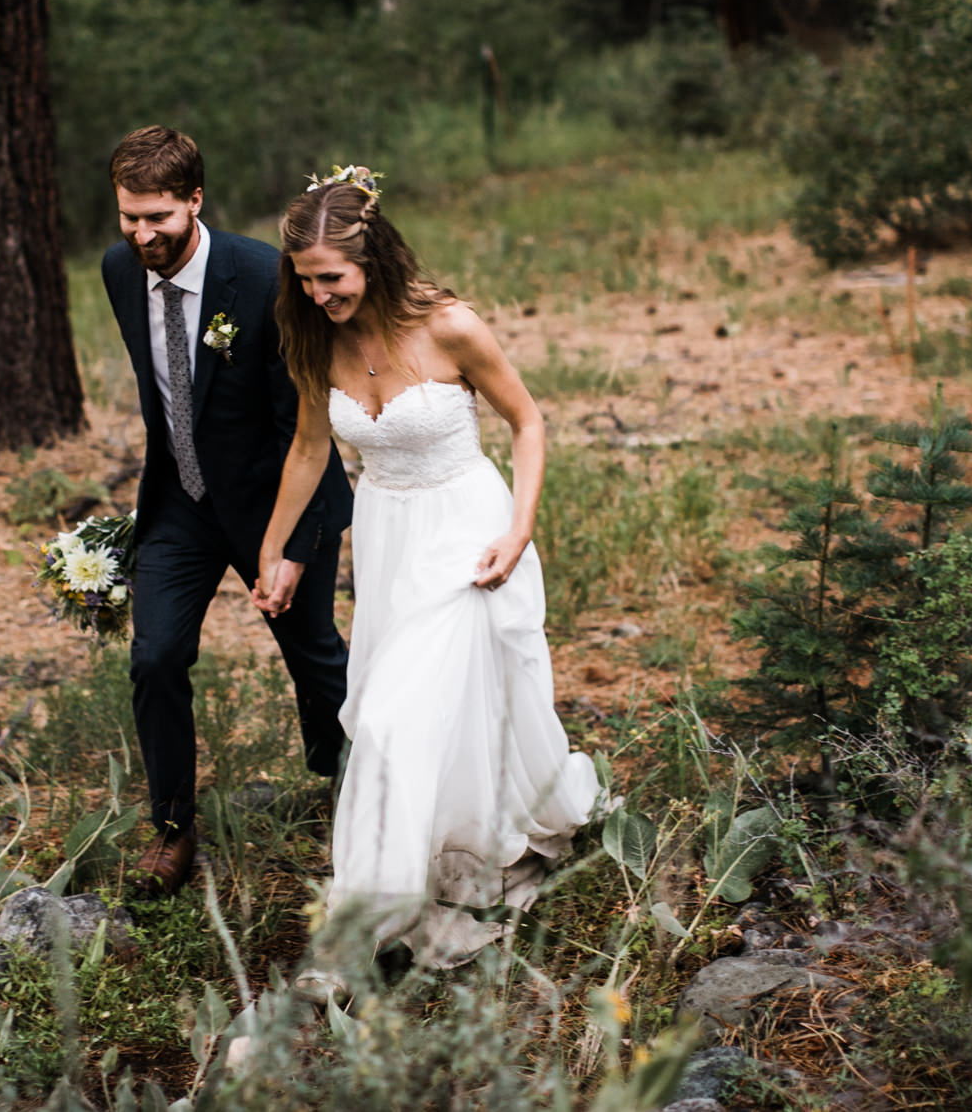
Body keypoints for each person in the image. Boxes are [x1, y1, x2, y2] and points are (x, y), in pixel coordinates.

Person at [254, 166, 599, 979]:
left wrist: (518, 530)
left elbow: (527, 420)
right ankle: (448, 841)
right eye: (304, 281)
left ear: (372, 259)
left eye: (331, 278)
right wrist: (276, 549)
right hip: (389, 538)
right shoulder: (314, 339)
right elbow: (310, 450)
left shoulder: (450, 328)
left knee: (391, 719)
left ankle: (363, 924)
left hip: (468, 528)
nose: (318, 295)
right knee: (422, 709)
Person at [101, 126, 353, 896]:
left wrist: (292, 544)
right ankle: (173, 827)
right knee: (155, 656)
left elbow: (302, 427)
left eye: (160, 218)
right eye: (130, 217)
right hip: (180, 499)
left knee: (313, 653)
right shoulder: (119, 271)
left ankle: (352, 789)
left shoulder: (263, 277)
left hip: (274, 496)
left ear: (195, 201)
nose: (144, 235)